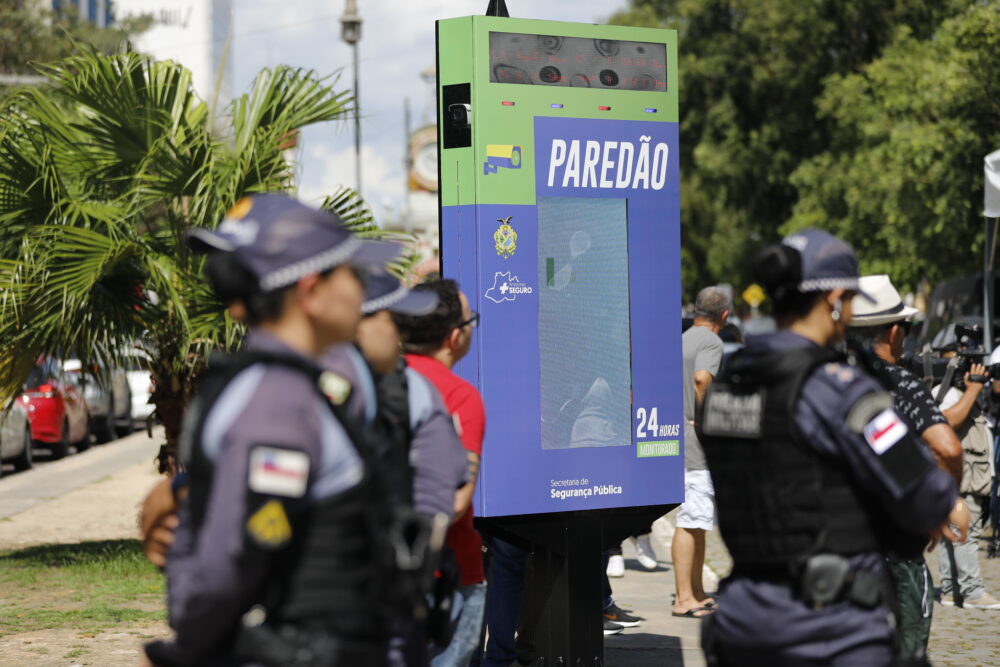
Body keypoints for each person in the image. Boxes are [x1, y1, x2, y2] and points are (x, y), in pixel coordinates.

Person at [142, 194, 404, 666]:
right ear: (310, 292)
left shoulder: (300, 382)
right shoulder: (280, 403)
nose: (361, 291)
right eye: (351, 273)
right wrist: (192, 647)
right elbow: (230, 563)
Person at [697, 229, 967, 666]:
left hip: (743, 623)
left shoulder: (733, 380)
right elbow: (925, 493)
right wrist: (950, 505)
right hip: (830, 632)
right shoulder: (838, 389)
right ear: (835, 297)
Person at [847, 274, 964, 658]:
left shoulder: (824, 381)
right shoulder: (899, 382)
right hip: (895, 554)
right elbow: (947, 448)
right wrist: (936, 511)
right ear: (896, 331)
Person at [393, 279, 487, 667]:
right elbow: (458, 497)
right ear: (453, 337)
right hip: (450, 573)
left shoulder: (377, 381)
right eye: (471, 321)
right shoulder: (460, 396)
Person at [673, 286, 728, 619]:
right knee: (691, 518)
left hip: (679, 439)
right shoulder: (712, 341)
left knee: (698, 520)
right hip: (696, 443)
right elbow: (701, 378)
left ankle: (696, 591)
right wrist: (704, 418)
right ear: (724, 316)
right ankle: (683, 599)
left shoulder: (683, 338)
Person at [931, 343, 1000, 610]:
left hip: (969, 473)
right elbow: (947, 421)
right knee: (966, 532)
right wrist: (972, 390)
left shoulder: (958, 391)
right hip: (961, 475)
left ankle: (951, 590)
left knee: (957, 533)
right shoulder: (947, 392)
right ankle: (972, 591)